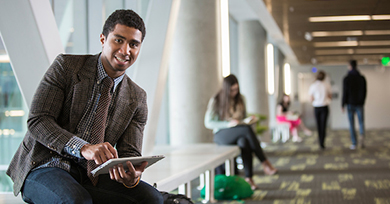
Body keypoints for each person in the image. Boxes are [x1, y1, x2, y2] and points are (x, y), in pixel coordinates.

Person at [6, 9, 163, 204]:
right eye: (118, 40)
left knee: (152, 199)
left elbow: (130, 152)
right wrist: (84, 148)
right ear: (103, 39)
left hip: (91, 174)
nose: (125, 51)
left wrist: (131, 177)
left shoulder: (137, 97)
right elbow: (38, 121)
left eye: (133, 44)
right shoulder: (66, 67)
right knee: (77, 201)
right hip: (44, 164)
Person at [204, 74, 277, 191]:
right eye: (232, 90)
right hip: (222, 135)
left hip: (239, 131)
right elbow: (208, 122)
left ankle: (249, 178)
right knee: (247, 131)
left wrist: (248, 119)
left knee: (244, 142)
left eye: (236, 89)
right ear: (226, 89)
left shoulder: (241, 98)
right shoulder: (217, 99)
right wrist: (228, 124)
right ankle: (264, 162)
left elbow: (243, 117)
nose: (234, 92)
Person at [342, 60, 367, 150]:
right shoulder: (361, 78)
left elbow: (345, 92)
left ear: (350, 66)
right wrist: (362, 101)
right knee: (361, 123)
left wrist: (343, 104)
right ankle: (362, 138)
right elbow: (364, 91)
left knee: (351, 124)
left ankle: (354, 143)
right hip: (359, 104)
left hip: (350, 104)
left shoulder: (347, 78)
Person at [308, 71, 332, 149]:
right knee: (323, 125)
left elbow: (311, 98)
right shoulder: (327, 85)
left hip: (317, 107)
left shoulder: (313, 86)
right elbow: (330, 96)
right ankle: (322, 142)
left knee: (318, 125)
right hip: (324, 106)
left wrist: (316, 99)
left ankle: (320, 141)